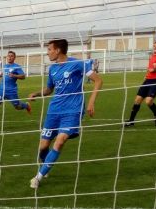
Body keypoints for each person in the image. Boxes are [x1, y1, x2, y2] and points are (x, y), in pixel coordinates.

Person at [28, 38, 103, 190]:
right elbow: (49, 90)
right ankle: (45, 167)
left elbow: (98, 81)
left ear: (58, 50)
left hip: (73, 110)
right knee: (43, 147)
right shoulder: (52, 69)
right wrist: (36, 93)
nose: (48, 52)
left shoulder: (77, 64)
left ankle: (38, 177)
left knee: (60, 141)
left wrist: (91, 102)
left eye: (49, 49)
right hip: (54, 111)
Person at [0, 51, 31, 131]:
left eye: (11, 56)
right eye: (8, 56)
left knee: (17, 107)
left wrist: (14, 75)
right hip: (1, 89)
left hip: (11, 91)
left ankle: (26, 106)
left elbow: (23, 76)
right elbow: (4, 74)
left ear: (14, 58)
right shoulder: (5, 66)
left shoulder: (16, 67)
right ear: (6, 57)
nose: (9, 57)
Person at [124, 38, 156, 127]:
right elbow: (149, 69)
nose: (155, 48)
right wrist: (147, 75)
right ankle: (131, 121)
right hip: (147, 80)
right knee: (137, 100)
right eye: (154, 46)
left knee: (148, 101)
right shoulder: (152, 56)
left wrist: (155, 69)